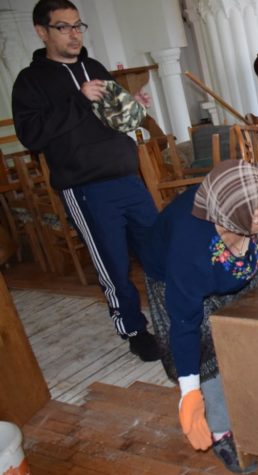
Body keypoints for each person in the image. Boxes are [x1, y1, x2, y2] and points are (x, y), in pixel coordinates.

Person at [142, 160, 258, 474]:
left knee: (255, 329)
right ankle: (221, 430)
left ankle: (257, 401)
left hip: (233, 258)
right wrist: (189, 392)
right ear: (236, 220)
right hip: (178, 277)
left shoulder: (249, 198)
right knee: (208, 354)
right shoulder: (189, 254)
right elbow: (185, 326)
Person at [12, 0, 161, 361]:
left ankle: (175, 315)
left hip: (128, 179)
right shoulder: (30, 82)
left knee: (159, 252)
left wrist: (133, 106)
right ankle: (134, 330)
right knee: (113, 265)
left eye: (78, 25)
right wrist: (79, 101)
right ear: (42, 32)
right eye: (63, 27)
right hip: (86, 189)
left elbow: (115, 117)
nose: (74, 34)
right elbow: (32, 136)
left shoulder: (93, 68)